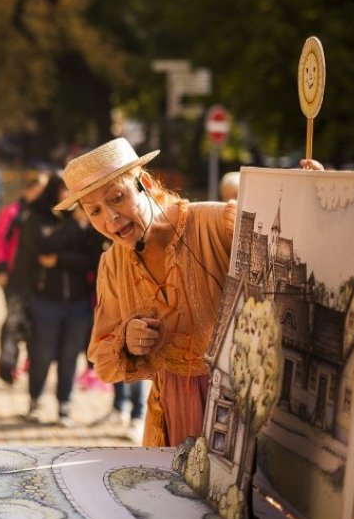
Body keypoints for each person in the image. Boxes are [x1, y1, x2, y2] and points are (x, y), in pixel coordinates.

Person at [59, 138, 236, 446]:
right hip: (168, 421)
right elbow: (102, 360)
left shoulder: (215, 223)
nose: (110, 219)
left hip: (238, 414)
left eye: (116, 197)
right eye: (95, 211)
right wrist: (126, 339)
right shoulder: (112, 263)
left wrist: (313, 188)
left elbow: (291, 239)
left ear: (144, 182)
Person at [8, 177, 104, 427]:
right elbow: (42, 248)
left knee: (69, 356)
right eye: (63, 189)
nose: (67, 196)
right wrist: (71, 230)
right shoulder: (37, 218)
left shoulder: (84, 221)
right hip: (44, 301)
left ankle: (64, 405)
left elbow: (91, 259)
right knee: (41, 354)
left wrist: (59, 259)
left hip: (77, 303)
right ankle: (35, 401)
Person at [0, 170, 49, 384]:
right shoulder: (13, 211)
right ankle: (6, 362)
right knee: (13, 321)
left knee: (36, 321)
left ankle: (33, 360)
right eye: (36, 190)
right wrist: (0, 269)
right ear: (27, 190)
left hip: (38, 278)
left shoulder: (47, 214)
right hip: (15, 276)